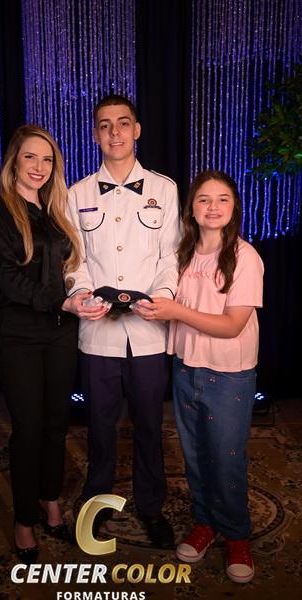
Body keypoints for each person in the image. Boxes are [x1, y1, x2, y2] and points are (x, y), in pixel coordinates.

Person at [133, 170, 264, 583]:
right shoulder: (182, 254)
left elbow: (232, 325)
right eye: (204, 199)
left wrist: (176, 312)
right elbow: (167, 301)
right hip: (186, 367)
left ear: (234, 207)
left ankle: (236, 534)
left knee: (226, 458)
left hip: (228, 375)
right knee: (194, 454)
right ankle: (205, 522)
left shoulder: (244, 256)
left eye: (222, 199)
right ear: (190, 208)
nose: (212, 207)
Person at [64, 94, 181, 548]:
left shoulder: (164, 189)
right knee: (99, 425)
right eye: (105, 125)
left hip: (148, 330)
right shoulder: (76, 193)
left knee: (150, 424)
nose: (115, 132)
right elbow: (74, 260)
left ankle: (151, 507)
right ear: (96, 134)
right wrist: (80, 294)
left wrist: (164, 297)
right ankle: (97, 504)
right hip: (97, 332)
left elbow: (171, 256)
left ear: (137, 130)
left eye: (123, 123)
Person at [0, 124, 92, 563]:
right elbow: (8, 279)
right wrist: (62, 301)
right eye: (30, 157)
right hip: (19, 336)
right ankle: (24, 520)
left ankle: (51, 502)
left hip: (61, 331)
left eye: (47, 160)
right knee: (28, 430)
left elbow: (70, 269)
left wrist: (81, 296)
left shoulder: (58, 212)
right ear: (14, 161)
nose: (39, 167)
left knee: (56, 425)